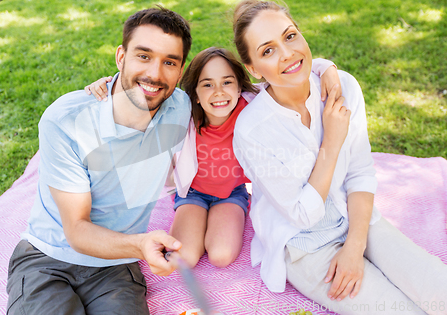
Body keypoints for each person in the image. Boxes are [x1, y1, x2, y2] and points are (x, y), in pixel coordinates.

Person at [231, 0, 447, 315]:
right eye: (267, 50)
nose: (288, 53)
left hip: (357, 217)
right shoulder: (253, 130)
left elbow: (359, 172)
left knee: (438, 289)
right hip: (305, 246)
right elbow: (302, 215)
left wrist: (355, 246)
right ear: (252, 68)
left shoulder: (342, 85)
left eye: (290, 36)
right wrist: (331, 144)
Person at [6, 6, 192, 315]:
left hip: (116, 262)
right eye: (143, 56)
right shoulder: (65, 120)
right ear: (121, 57)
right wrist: (141, 244)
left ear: (181, 70)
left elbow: (244, 95)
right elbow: (77, 229)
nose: (155, 74)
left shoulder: (179, 107)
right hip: (47, 257)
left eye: (169, 62)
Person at [87, 48, 339, 269]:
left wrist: (326, 67)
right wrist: (109, 85)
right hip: (192, 194)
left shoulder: (253, 105)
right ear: (194, 93)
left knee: (221, 255)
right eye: (207, 84)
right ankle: (194, 220)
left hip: (231, 193)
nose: (218, 92)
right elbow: (139, 95)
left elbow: (290, 72)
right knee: (180, 258)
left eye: (227, 82)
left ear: (239, 86)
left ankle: (225, 216)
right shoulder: (182, 113)